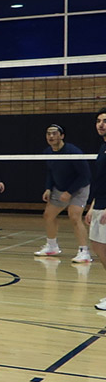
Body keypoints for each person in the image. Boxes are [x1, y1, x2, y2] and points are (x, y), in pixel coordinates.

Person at [37, 124, 91, 262]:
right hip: (60, 188)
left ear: (62, 136)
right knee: (48, 215)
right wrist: (48, 188)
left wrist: (69, 192)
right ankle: (52, 246)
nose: (51, 136)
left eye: (54, 133)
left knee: (74, 217)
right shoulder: (47, 152)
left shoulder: (73, 152)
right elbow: (50, 171)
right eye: (48, 133)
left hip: (79, 187)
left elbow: (85, 176)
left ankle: (84, 252)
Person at [86, 110, 106, 310]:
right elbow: (100, 181)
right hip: (99, 204)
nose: (101, 124)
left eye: (105, 121)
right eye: (99, 121)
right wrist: (92, 206)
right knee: (99, 247)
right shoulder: (103, 147)